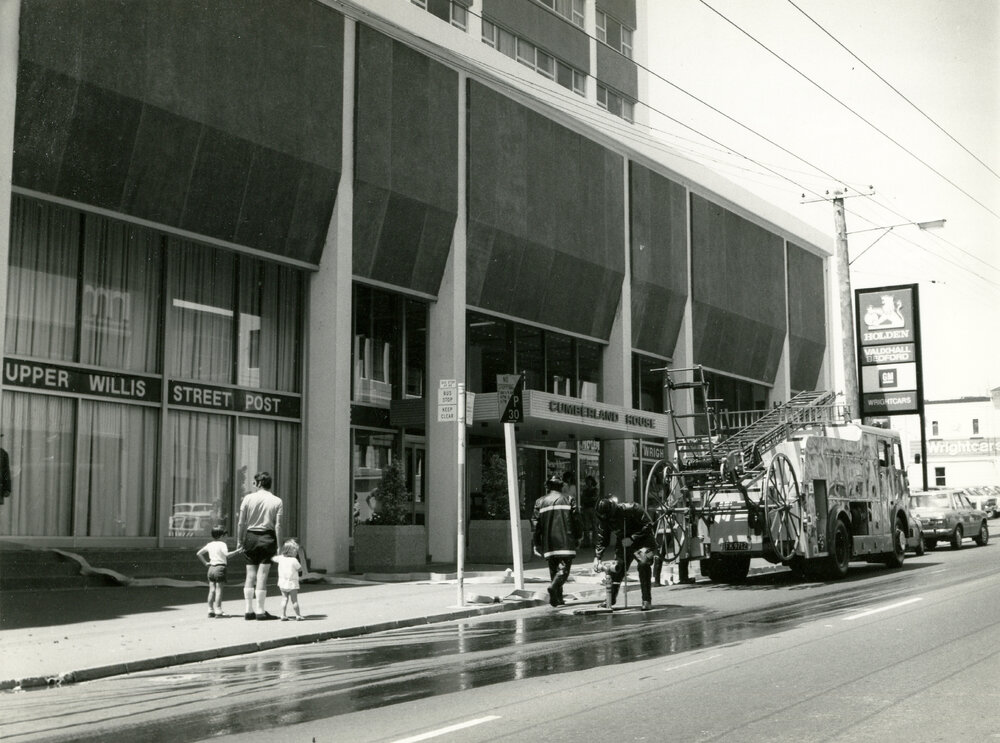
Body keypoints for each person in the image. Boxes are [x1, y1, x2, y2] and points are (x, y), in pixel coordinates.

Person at [593, 496, 657, 611]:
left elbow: (648, 525)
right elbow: (602, 538)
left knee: (643, 564)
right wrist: (597, 557)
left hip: (644, 542)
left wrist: (632, 538)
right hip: (623, 544)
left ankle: (646, 600)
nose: (608, 520)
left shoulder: (633, 508)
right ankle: (610, 598)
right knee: (617, 568)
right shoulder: (605, 519)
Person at [236, 471, 283, 620]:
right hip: (267, 538)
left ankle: (248, 610)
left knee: (250, 575)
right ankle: (260, 611)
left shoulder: (248, 498)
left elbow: (241, 522)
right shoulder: (277, 501)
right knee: (262, 576)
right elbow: (278, 526)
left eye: (254, 482)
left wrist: (239, 540)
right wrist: (280, 545)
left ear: (258, 483)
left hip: (250, 536)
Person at [531, 475, 583, 607]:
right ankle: (553, 588)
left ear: (548, 487)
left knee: (553, 570)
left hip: (548, 542)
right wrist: (578, 536)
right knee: (564, 570)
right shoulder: (569, 499)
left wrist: (536, 543)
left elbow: (536, 525)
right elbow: (576, 520)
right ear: (561, 486)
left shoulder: (540, 502)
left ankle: (556, 599)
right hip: (565, 540)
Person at [195, 526, 241, 618]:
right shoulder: (222, 544)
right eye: (226, 536)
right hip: (220, 568)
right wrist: (237, 551)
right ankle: (218, 610)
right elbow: (227, 555)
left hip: (211, 568)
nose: (227, 538)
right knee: (219, 590)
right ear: (221, 536)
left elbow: (199, 553)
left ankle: (210, 610)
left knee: (211, 590)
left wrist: (206, 563)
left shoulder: (210, 544)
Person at [271, 538, 304, 621]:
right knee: (294, 600)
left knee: (284, 599)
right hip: (292, 583)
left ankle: (283, 615)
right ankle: (298, 615)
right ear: (291, 551)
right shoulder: (294, 560)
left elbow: (273, 558)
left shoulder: (281, 558)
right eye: (295, 551)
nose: (296, 553)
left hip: (282, 583)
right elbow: (300, 569)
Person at [579, 474, 599, 547]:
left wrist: (587, 500)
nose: (587, 483)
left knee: (592, 526)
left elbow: (591, 498)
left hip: (591, 508)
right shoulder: (590, 490)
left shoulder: (592, 490)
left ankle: (591, 542)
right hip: (589, 508)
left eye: (589, 481)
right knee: (588, 526)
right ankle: (590, 542)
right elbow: (592, 498)